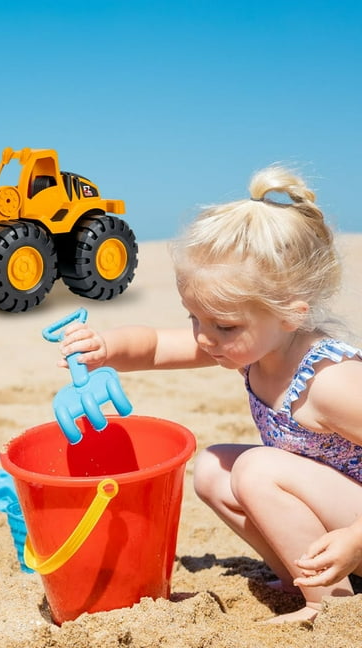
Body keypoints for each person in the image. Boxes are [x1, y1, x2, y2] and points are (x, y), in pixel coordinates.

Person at [58, 165, 362, 623]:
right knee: (214, 470)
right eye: (194, 319)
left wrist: (355, 540)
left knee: (257, 468)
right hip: (341, 518)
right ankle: (303, 576)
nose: (204, 338)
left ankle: (332, 606)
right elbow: (158, 347)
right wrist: (106, 348)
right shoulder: (252, 347)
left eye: (223, 325)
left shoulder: (331, 381)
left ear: (291, 315)